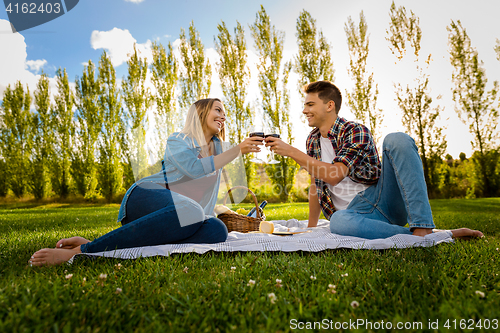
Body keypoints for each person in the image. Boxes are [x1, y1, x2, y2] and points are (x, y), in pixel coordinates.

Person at [29, 98, 264, 266]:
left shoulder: (219, 148)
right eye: (218, 110)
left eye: (224, 113)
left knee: (216, 229)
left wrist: (211, 215)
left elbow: (208, 194)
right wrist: (236, 151)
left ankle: (103, 243)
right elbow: (193, 169)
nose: (223, 116)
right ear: (201, 113)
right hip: (147, 197)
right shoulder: (178, 140)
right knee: (191, 211)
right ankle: (83, 251)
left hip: (182, 213)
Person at [265, 80, 483, 240]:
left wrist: (291, 152)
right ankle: (432, 236)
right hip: (352, 217)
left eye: (310, 105)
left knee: (396, 139)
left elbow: (334, 175)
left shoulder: (354, 131)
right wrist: (311, 228)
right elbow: (316, 184)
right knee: (337, 221)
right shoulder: (312, 140)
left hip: (382, 202)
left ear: (329, 106)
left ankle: (423, 225)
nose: (304, 110)